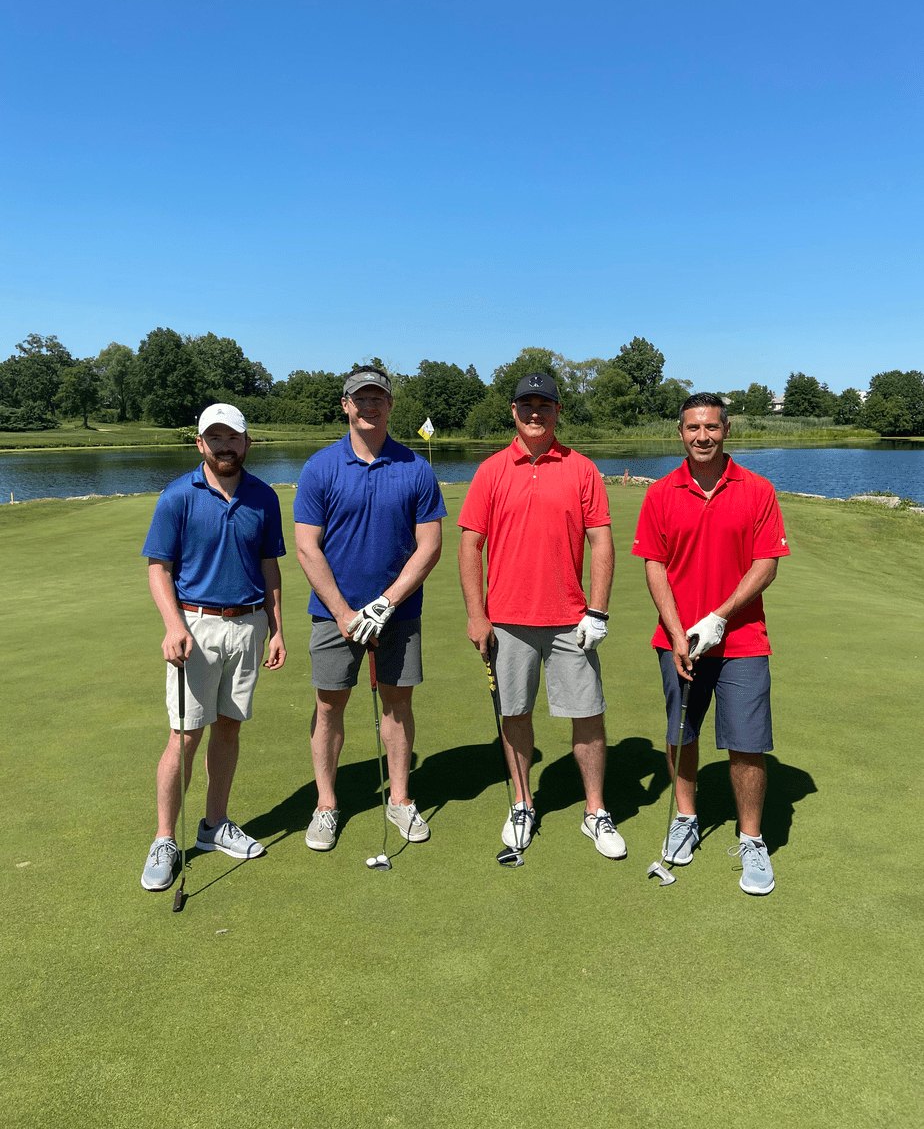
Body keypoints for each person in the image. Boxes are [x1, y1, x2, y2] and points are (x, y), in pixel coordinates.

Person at [458, 372, 625, 860]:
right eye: (527, 405)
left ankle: (595, 810)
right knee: (514, 713)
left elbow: (601, 541)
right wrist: (476, 614)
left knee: (588, 714)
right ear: (513, 411)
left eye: (545, 405)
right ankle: (522, 803)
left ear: (557, 411)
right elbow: (470, 544)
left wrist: (598, 611)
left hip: (571, 620)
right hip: (507, 620)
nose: (536, 413)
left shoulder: (582, 469)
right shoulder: (491, 470)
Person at [632, 392, 790, 895]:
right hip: (678, 641)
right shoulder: (661, 493)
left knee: (747, 742)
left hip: (743, 639)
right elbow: (654, 566)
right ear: (681, 432)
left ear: (727, 430)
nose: (703, 436)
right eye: (693, 428)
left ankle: (751, 839)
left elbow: (766, 564)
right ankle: (686, 817)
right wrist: (677, 632)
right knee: (682, 733)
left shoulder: (757, 489)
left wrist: (720, 617)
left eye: (712, 427)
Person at [294, 366, 446, 852]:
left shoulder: (415, 467)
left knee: (398, 705)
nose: (369, 406)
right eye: (360, 398)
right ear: (346, 405)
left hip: (399, 614)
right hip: (333, 615)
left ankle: (399, 799)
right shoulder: (320, 467)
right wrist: (344, 613)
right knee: (328, 706)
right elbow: (307, 548)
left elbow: (430, 546)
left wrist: (386, 602)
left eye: (378, 397)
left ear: (390, 404)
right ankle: (326, 805)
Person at [140, 403, 286, 891]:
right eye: (215, 438)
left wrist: (276, 629)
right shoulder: (178, 495)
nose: (225, 446)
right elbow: (159, 567)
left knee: (229, 728)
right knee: (185, 735)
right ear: (200, 443)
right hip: (195, 627)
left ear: (247, 442)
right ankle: (164, 839)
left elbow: (269, 566)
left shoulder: (264, 497)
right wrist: (172, 625)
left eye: (233, 437)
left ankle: (214, 825)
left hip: (248, 624)